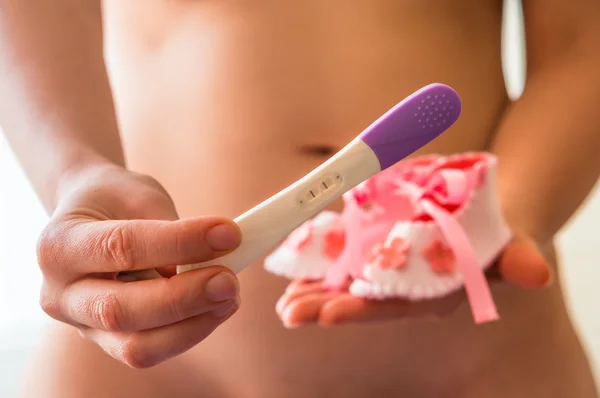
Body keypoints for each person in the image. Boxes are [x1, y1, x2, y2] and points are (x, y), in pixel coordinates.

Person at [1, 0, 600, 397]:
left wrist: (508, 215)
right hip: (140, 362)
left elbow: (583, 42)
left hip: (479, 358)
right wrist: (75, 175)